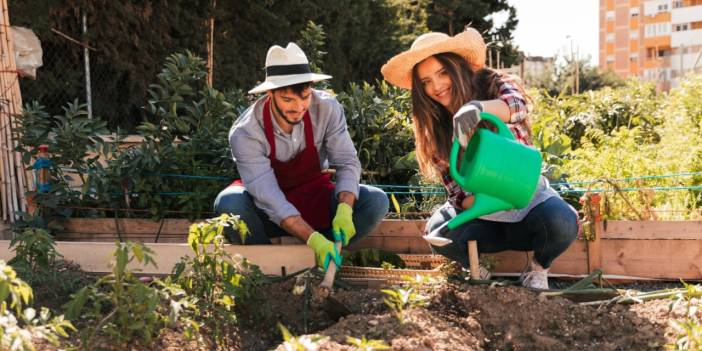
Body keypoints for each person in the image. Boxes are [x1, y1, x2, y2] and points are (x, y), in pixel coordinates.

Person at [380, 28, 578, 289]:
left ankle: (538, 268)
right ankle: (477, 268)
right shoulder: (435, 126)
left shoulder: (491, 84)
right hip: (485, 219)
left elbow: (517, 107)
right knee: (439, 231)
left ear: (457, 66)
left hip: (529, 207)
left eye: (442, 73)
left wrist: (478, 109)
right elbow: (458, 195)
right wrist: (488, 197)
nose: (436, 87)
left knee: (562, 221)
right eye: (426, 81)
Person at [215, 42, 389, 272]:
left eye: (305, 97)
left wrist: (345, 208)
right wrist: (312, 238)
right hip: (266, 211)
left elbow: (346, 162)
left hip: (313, 197)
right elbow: (268, 197)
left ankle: (323, 259)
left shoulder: (326, 108)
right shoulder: (246, 132)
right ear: (270, 94)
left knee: (376, 201)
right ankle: (269, 270)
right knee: (229, 203)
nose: (298, 107)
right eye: (288, 100)